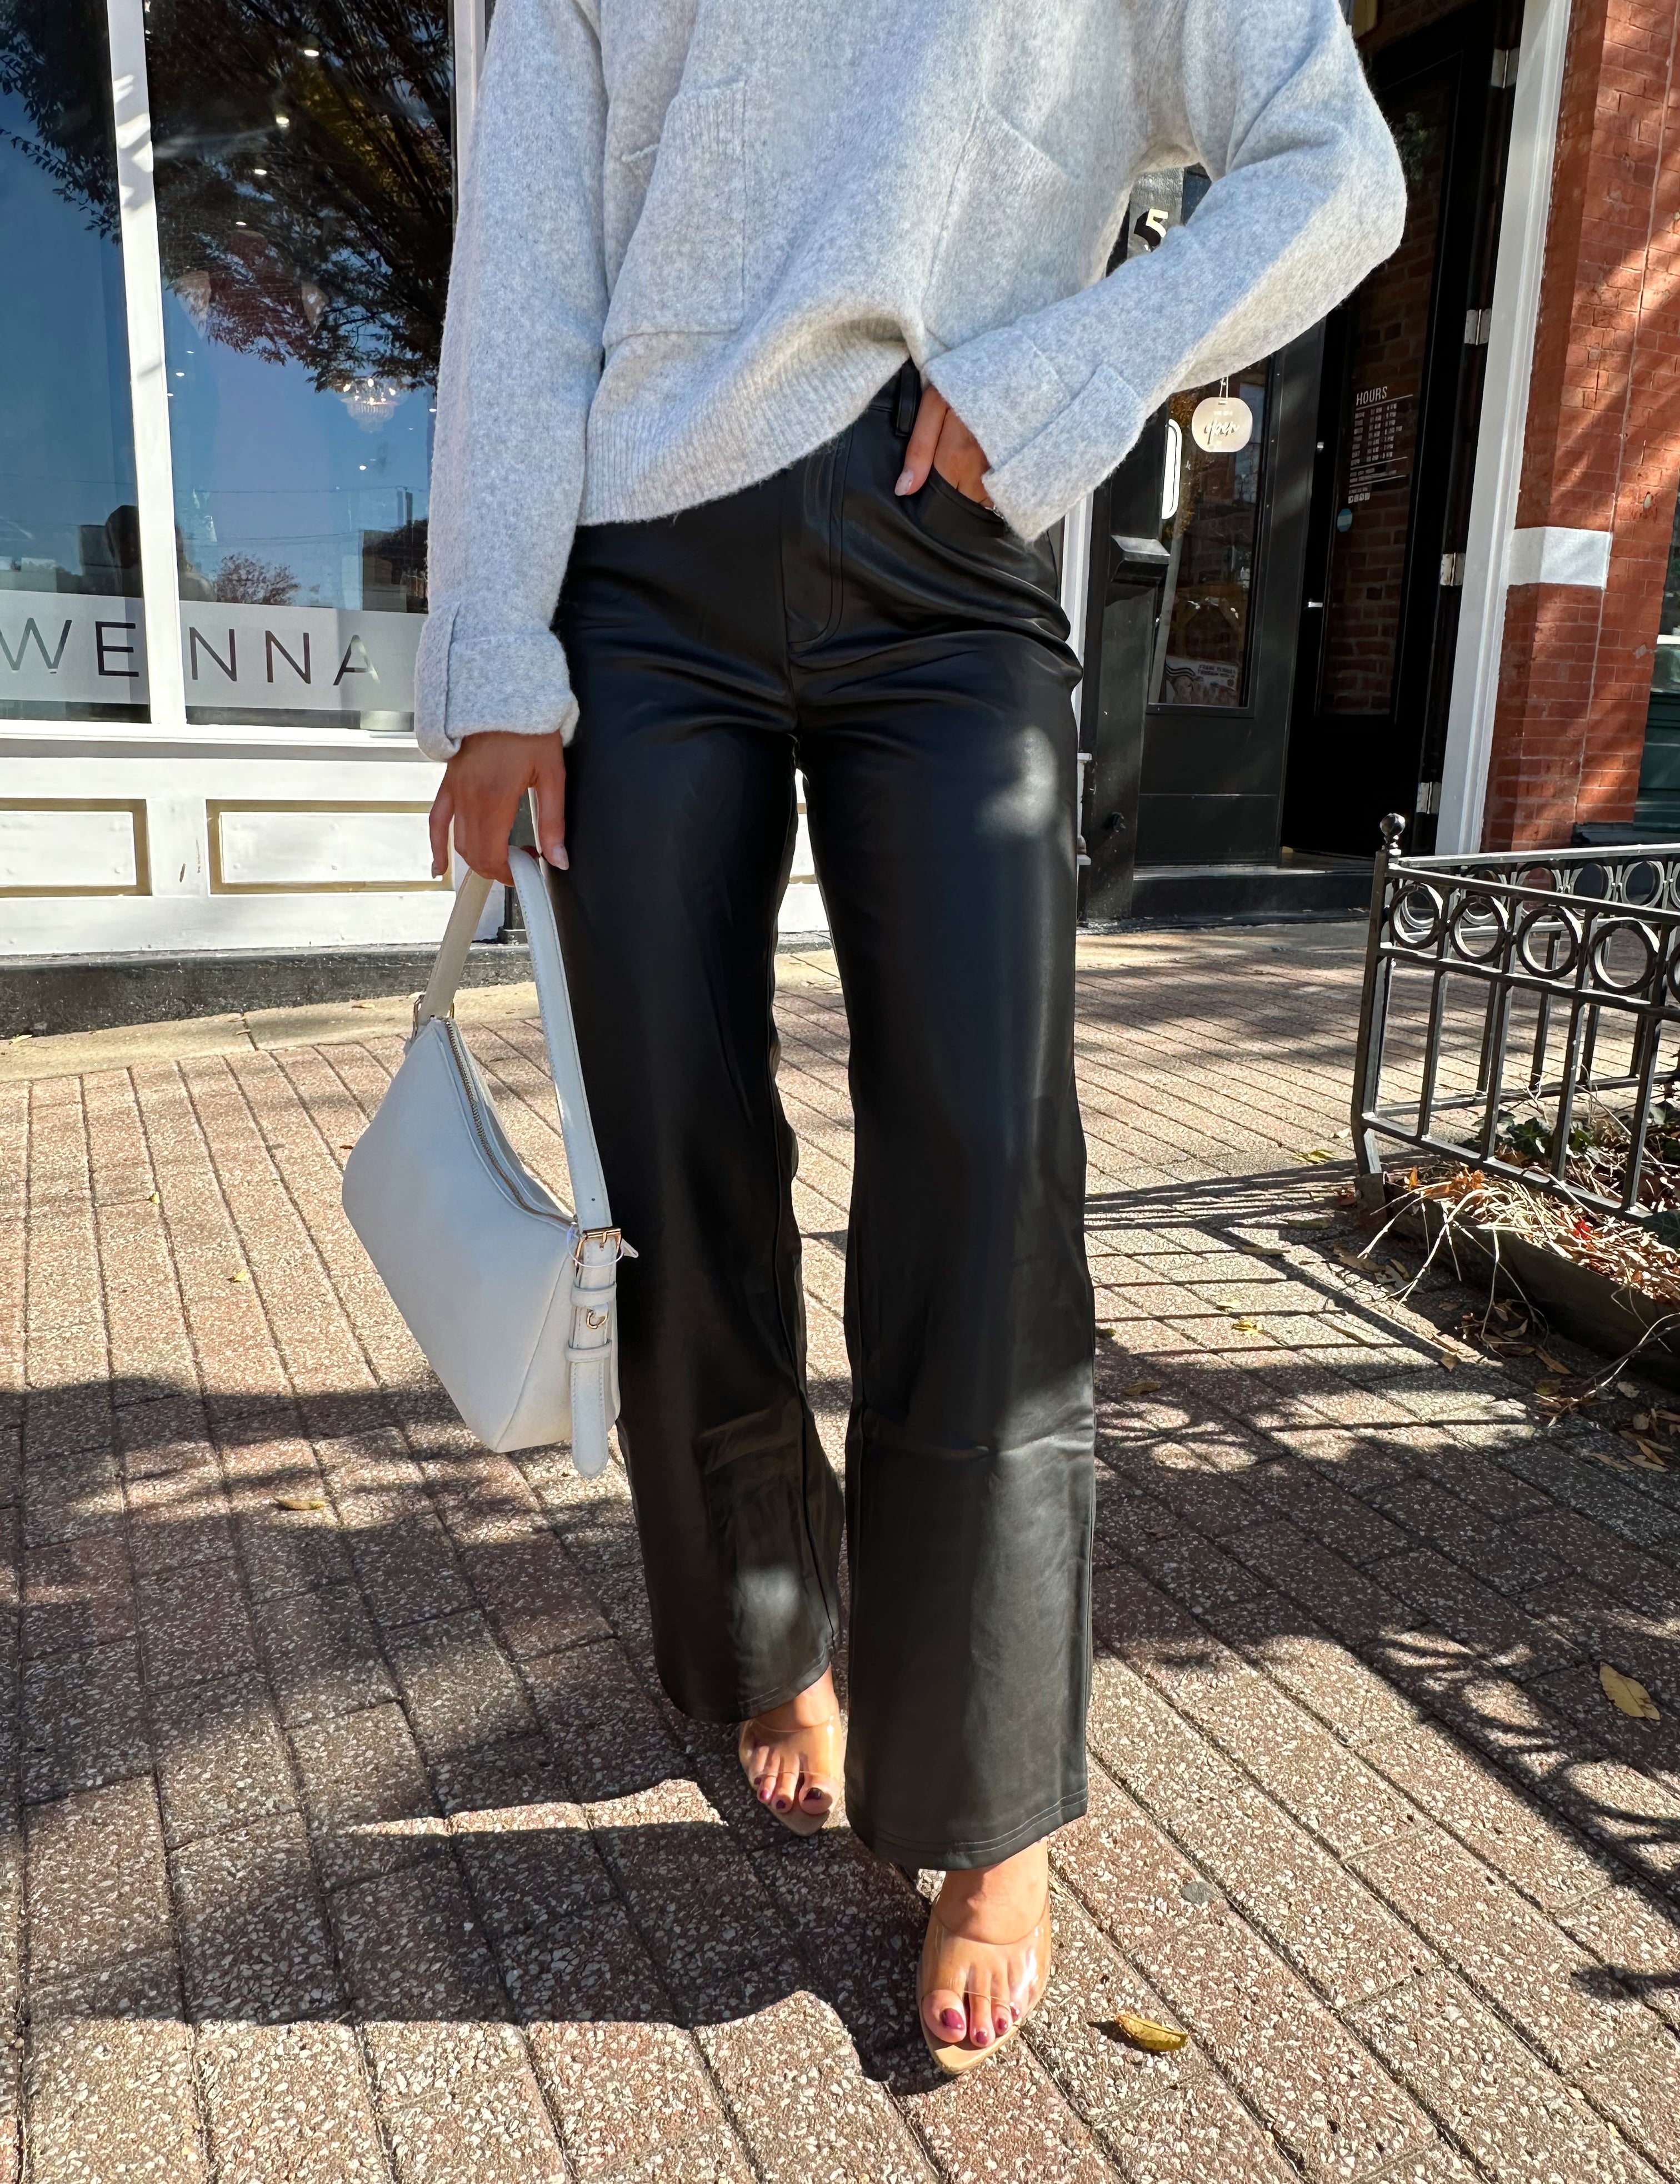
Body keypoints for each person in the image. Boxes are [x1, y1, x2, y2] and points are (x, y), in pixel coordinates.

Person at [419, 0, 1403, 2072]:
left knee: (985, 1170)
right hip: (636, 574)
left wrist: (1061, 368)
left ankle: (985, 1805)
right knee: (681, 1167)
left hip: (956, 557)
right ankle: (777, 1633)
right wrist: (498, 634)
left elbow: (1344, 171)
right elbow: (522, 257)